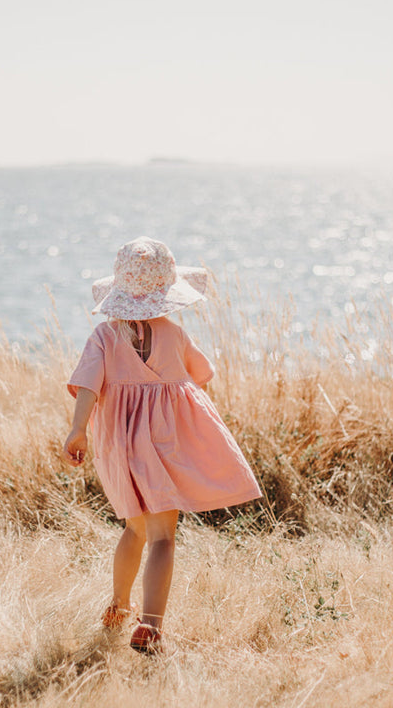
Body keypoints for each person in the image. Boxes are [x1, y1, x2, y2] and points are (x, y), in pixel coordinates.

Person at [62, 237, 262, 655]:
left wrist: (78, 430)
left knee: (134, 525)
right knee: (163, 537)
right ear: (166, 294)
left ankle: (118, 606)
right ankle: (150, 627)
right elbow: (201, 376)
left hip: (119, 445)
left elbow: (86, 386)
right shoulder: (174, 334)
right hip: (164, 445)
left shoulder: (104, 336)